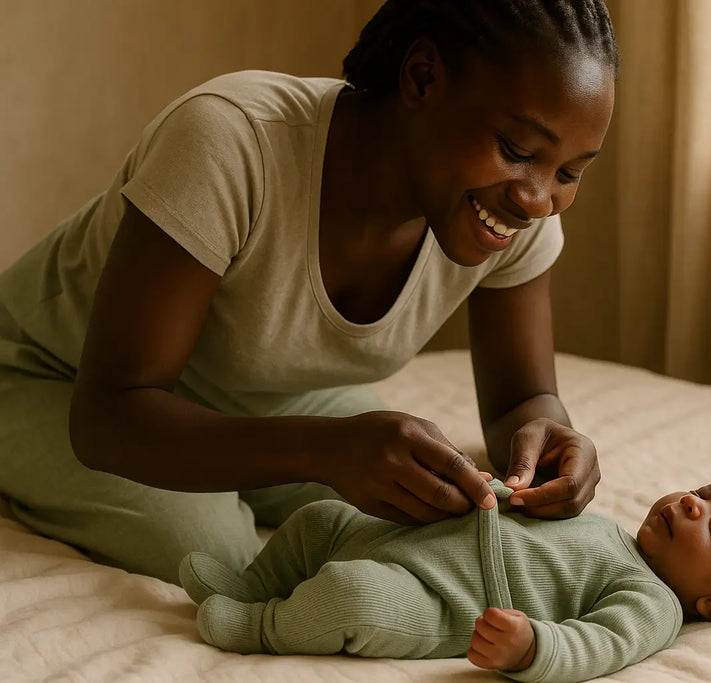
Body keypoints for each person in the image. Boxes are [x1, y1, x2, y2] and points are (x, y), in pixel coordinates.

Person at [0, 1, 619, 584]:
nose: (538, 198)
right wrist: (324, 450)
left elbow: (522, 396)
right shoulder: (229, 140)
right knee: (212, 554)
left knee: (452, 515)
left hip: (262, 396)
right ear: (424, 77)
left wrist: (549, 444)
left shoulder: (508, 213)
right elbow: (109, 416)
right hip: (55, 376)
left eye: (569, 172)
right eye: (516, 151)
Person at [178, 471, 711, 682]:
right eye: (705, 490)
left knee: (352, 594)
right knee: (317, 516)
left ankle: (259, 624)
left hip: (435, 603)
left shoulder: (654, 604)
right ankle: (252, 582)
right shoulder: (610, 528)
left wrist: (534, 648)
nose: (690, 504)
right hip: (403, 537)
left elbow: (601, 645)